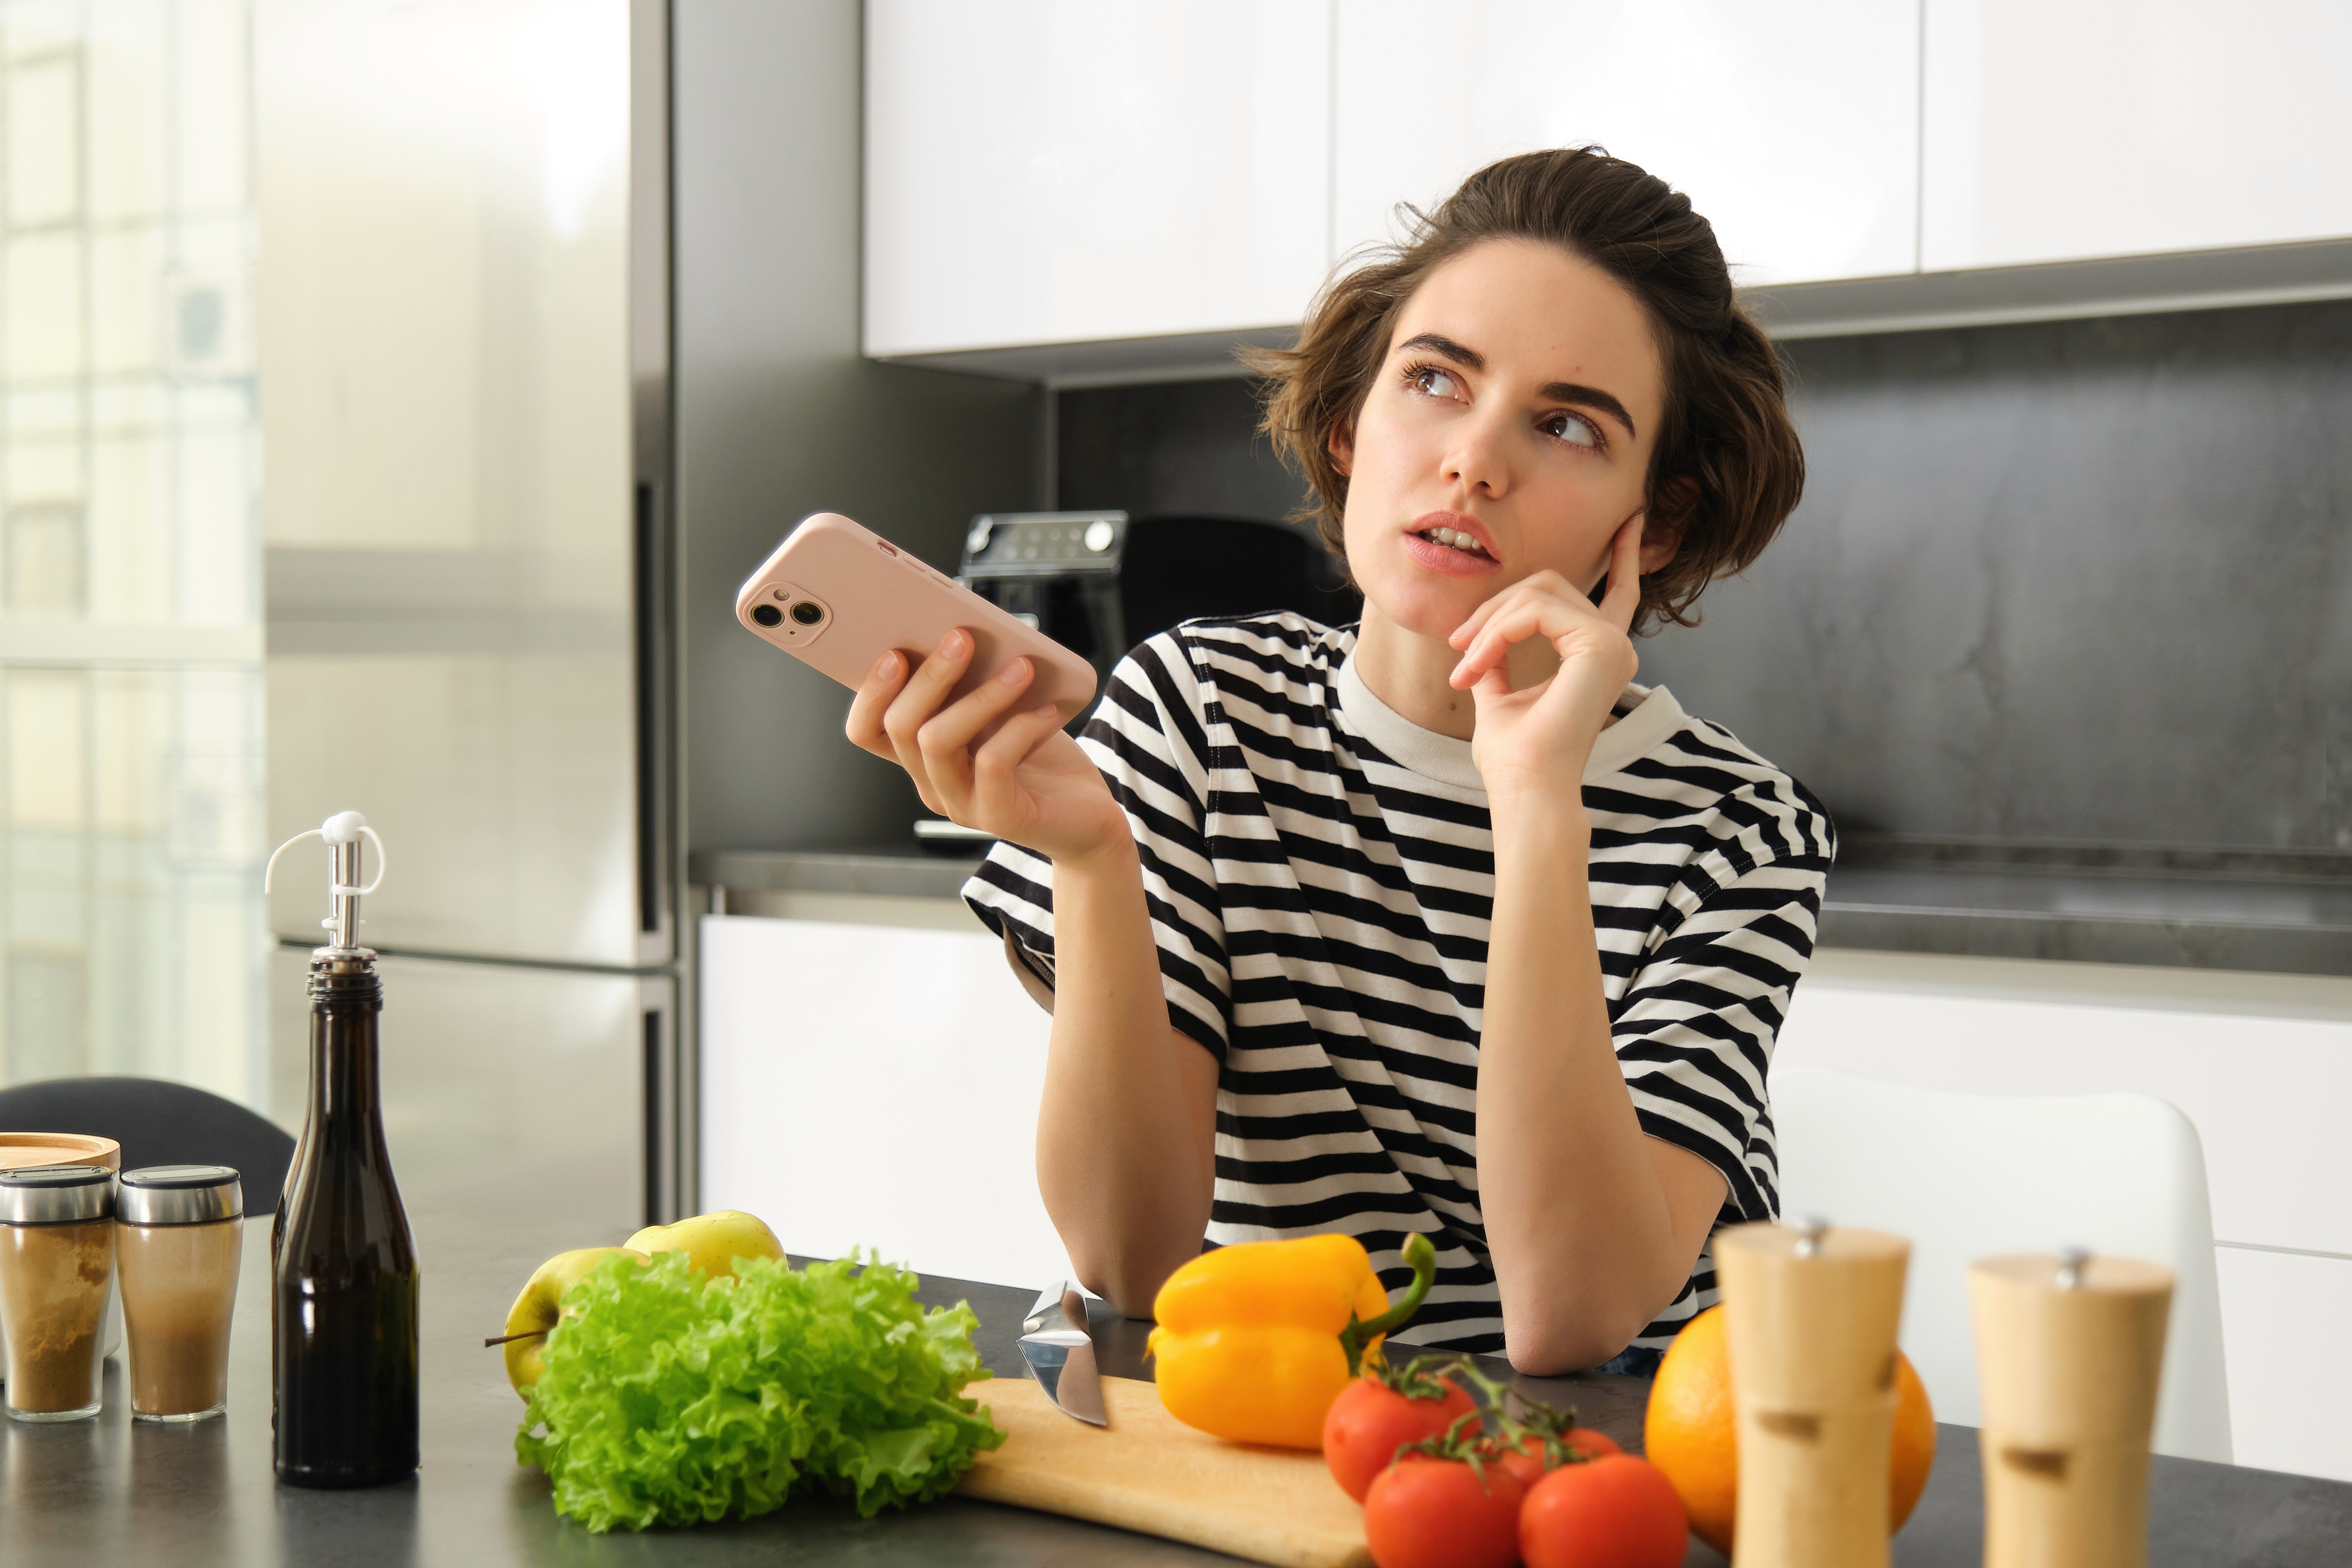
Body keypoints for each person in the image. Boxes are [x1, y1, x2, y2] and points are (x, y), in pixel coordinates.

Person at [846, 147, 1826, 1376]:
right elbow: (1128, 1262)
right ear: (1349, 425)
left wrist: (1535, 804)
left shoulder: (1737, 828)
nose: (1473, 459)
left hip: (1614, 1471)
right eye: (1433, 380)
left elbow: (1570, 1319)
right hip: (1286, 1439)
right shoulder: (1195, 712)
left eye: (1566, 423)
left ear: (1657, 522)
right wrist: (1094, 861)